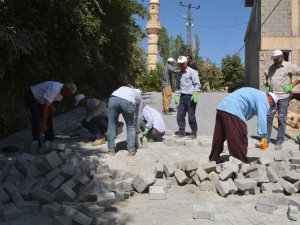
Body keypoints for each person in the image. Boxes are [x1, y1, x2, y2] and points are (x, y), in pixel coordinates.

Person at [209, 87, 278, 164]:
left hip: (222, 108)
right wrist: (264, 137)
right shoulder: (264, 99)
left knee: (219, 136)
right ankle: (239, 161)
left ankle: (214, 158)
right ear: (271, 100)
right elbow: (262, 118)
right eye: (271, 105)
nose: (269, 107)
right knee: (240, 134)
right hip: (233, 109)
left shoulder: (257, 94)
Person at [263, 49, 300, 150]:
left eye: (276, 59)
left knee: (281, 119)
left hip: (284, 97)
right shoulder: (271, 67)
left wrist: (292, 85)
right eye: (273, 59)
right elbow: (266, 75)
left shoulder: (289, 66)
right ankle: (266, 139)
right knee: (269, 117)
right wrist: (267, 86)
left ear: (281, 57)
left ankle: (280, 140)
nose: (274, 61)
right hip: (272, 97)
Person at [24, 81, 77, 149]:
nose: (67, 95)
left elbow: (51, 104)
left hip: (42, 100)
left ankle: (49, 139)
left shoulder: (62, 93)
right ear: (65, 87)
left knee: (48, 116)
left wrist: (46, 118)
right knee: (36, 116)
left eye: (69, 94)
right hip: (31, 95)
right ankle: (36, 141)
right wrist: (43, 121)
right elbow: (45, 105)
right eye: (67, 92)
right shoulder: (54, 89)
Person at [107, 87, 142, 156]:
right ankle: (131, 150)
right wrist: (137, 130)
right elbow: (138, 116)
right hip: (127, 101)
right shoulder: (139, 97)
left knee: (111, 125)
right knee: (130, 126)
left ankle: (111, 150)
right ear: (139, 93)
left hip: (113, 99)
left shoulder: (124, 88)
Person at [174, 56, 201, 139]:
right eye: (179, 64)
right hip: (182, 97)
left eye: (182, 64)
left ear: (186, 63)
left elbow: (197, 84)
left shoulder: (192, 72)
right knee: (180, 115)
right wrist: (176, 95)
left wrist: (196, 93)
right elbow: (178, 86)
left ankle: (194, 132)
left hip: (191, 96)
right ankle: (181, 131)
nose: (180, 66)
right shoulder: (179, 74)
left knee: (191, 115)